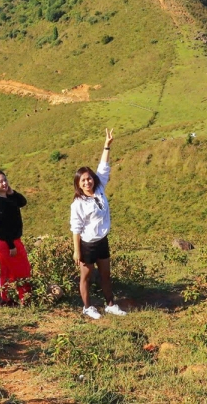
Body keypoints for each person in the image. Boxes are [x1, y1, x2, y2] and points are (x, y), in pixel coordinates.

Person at [70, 129, 127, 320]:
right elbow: (76, 228)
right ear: (78, 184)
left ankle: (110, 304)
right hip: (88, 244)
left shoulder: (100, 188)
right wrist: (77, 251)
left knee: (105, 274)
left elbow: (103, 166)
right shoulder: (78, 204)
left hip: (102, 240)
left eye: (89, 178)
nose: (87, 182)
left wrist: (107, 145)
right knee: (85, 277)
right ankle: (88, 307)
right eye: (83, 180)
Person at [0, 170, 32, 305]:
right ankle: (24, 298)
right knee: (22, 269)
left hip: (6, 240)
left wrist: (11, 192)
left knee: (7, 271)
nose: (4, 183)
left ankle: (6, 298)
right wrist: (11, 245)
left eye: (5, 180)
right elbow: (2, 225)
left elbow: (22, 202)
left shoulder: (8, 198)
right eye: (0, 181)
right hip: (7, 241)